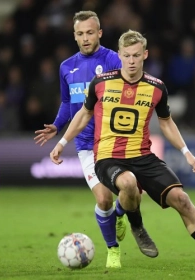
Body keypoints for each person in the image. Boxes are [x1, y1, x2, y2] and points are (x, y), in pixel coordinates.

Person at [49, 29, 195, 270]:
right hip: (108, 158)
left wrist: (186, 152)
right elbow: (83, 115)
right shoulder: (101, 83)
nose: (131, 61)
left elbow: (166, 122)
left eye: (136, 55)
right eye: (126, 56)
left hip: (143, 157)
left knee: (182, 199)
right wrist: (62, 143)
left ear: (145, 55)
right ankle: (137, 226)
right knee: (127, 183)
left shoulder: (156, 87)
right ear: (119, 55)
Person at [33, 11, 157, 269]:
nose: (85, 38)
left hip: (116, 142)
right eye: (80, 33)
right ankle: (113, 250)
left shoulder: (115, 59)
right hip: (87, 144)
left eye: (90, 32)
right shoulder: (66, 66)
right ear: (74, 36)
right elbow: (69, 102)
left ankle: (121, 215)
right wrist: (57, 126)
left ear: (99, 33)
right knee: (103, 200)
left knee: (131, 194)